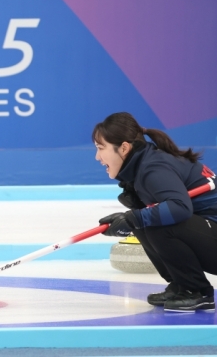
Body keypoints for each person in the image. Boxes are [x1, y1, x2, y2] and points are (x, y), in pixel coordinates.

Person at [93, 112, 217, 312]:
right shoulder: (145, 163)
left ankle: (197, 291)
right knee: (144, 220)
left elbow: (180, 208)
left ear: (124, 148)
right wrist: (130, 219)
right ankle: (181, 284)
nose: (97, 157)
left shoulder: (154, 167)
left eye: (101, 148)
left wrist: (134, 218)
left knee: (153, 222)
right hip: (209, 232)